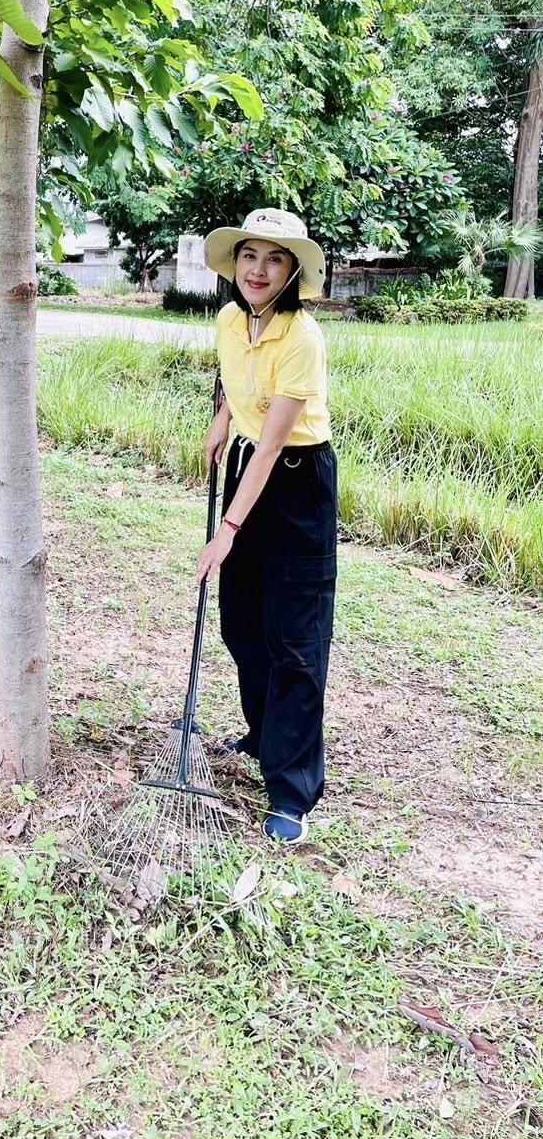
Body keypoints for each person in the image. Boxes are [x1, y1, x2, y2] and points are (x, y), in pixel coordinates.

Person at [196, 209, 336, 846]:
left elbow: (279, 444)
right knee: (240, 621)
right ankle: (264, 731)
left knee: (295, 636)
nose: (258, 269)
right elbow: (237, 379)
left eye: (275, 259)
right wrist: (222, 418)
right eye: (250, 256)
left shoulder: (303, 336)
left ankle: (291, 787)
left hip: (295, 483)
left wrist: (227, 529)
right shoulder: (231, 319)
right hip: (248, 463)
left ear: (292, 272)